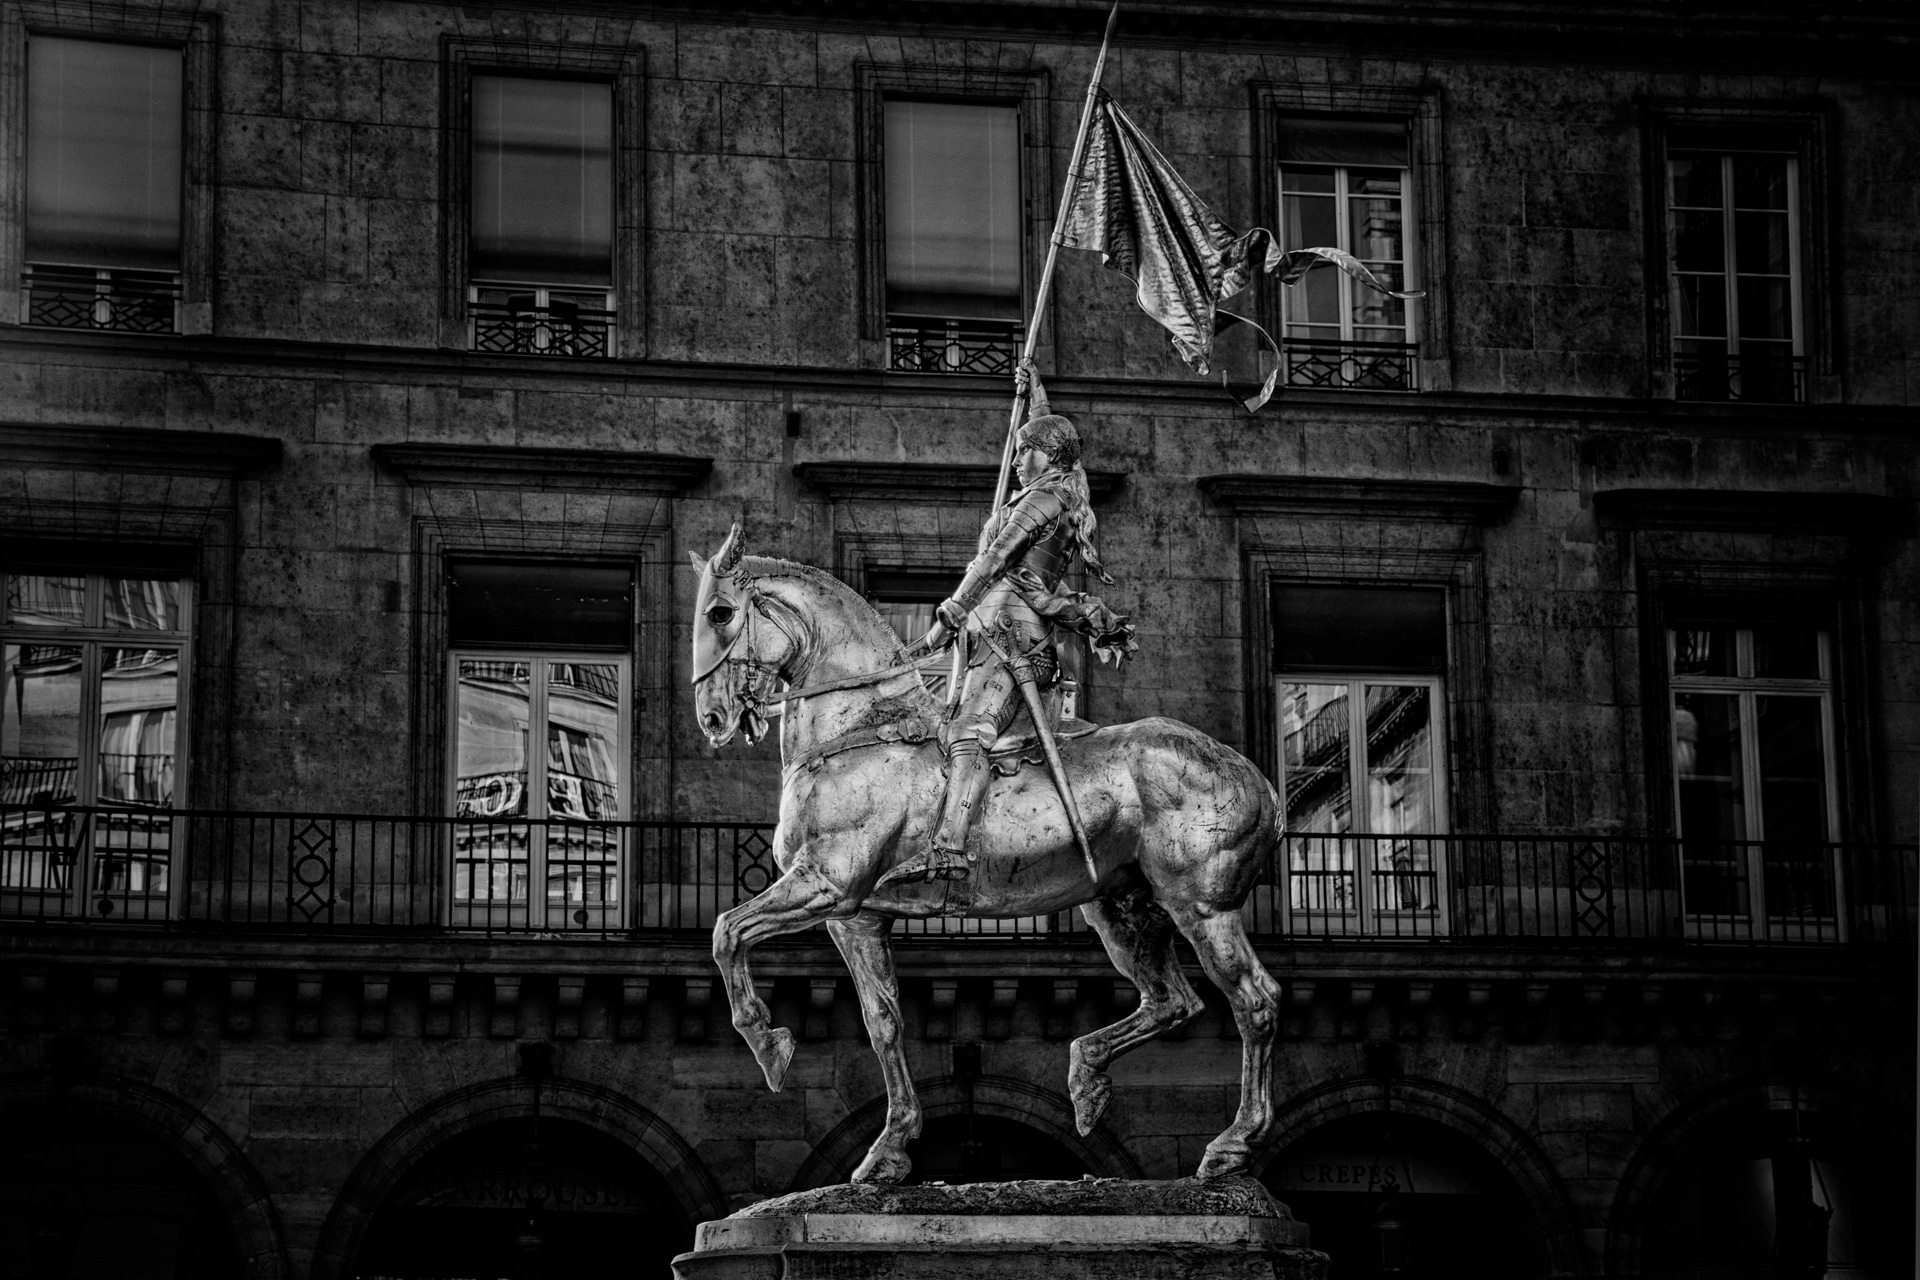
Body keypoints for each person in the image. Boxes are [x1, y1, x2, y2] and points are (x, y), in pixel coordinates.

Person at [878, 363, 1136, 887]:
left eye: (1027, 450)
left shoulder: (1044, 499)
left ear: (1050, 456)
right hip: (994, 632)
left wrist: (946, 616)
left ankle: (948, 849)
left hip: (1011, 638)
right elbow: (1052, 438)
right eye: (1018, 449)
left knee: (968, 735)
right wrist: (1034, 392)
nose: (1018, 458)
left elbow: (993, 560)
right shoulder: (1051, 491)